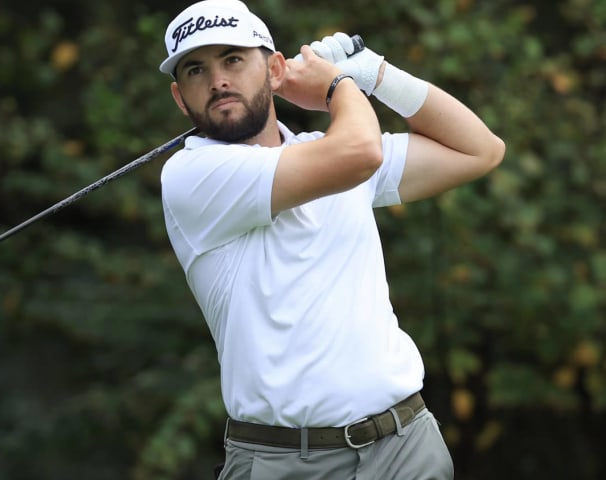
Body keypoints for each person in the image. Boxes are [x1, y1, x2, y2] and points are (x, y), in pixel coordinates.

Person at [157, 0, 505, 479]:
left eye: (233, 59)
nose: (217, 80)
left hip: (407, 447)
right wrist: (339, 87)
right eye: (197, 69)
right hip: (285, 462)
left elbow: (479, 150)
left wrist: (379, 75)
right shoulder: (191, 175)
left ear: (275, 70)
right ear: (180, 97)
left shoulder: (328, 152)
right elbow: (360, 151)